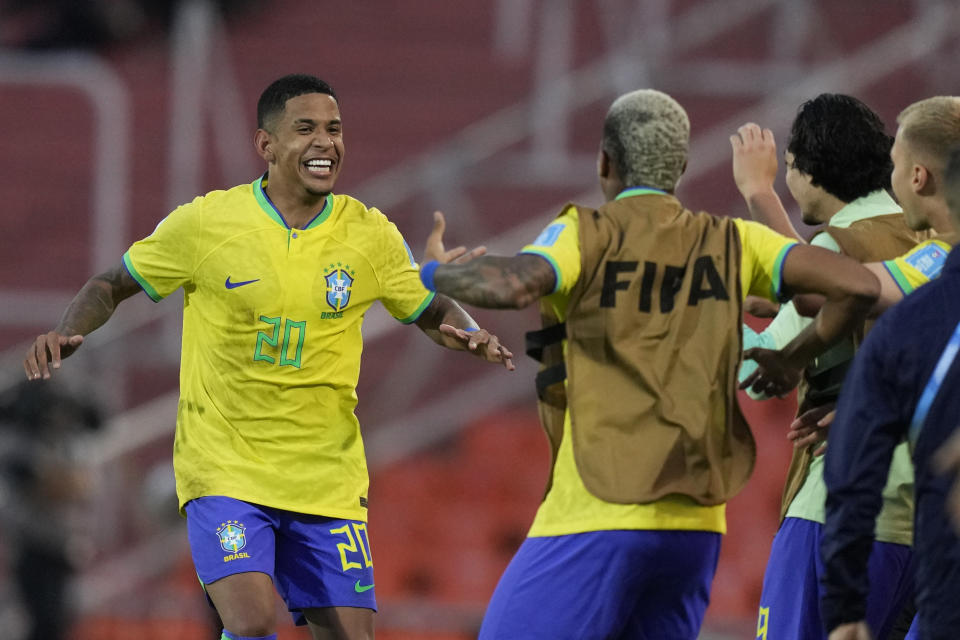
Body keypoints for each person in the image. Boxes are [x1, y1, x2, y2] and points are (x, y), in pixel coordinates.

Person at [22, 73, 514, 640]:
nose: (326, 142)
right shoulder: (208, 224)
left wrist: (468, 332)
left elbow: (428, 308)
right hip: (226, 468)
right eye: (305, 129)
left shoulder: (369, 234)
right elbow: (113, 283)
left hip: (325, 477)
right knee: (252, 619)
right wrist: (67, 332)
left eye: (334, 129)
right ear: (267, 145)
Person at [417, 89, 880, 639]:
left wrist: (435, 274)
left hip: (599, 507)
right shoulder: (733, 241)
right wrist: (791, 356)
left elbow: (517, 284)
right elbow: (856, 285)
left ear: (604, 162)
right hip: (695, 528)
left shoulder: (584, 233)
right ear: (680, 168)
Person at [729, 94, 928, 640]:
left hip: (840, 507)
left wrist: (704, 312)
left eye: (791, 168)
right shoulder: (930, 239)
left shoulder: (840, 244)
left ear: (812, 174)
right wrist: (761, 194)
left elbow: (763, 367)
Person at [821, 117, 960, 640]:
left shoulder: (920, 308)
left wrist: (844, 609)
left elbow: (852, 480)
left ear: (923, 177)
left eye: (896, 166)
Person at [0, 381, 100, 640]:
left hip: (61, 544)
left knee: (62, 620)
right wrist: (60, 479)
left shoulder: (63, 444)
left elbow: (81, 485)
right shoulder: (17, 445)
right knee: (43, 621)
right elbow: (51, 485)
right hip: (32, 546)